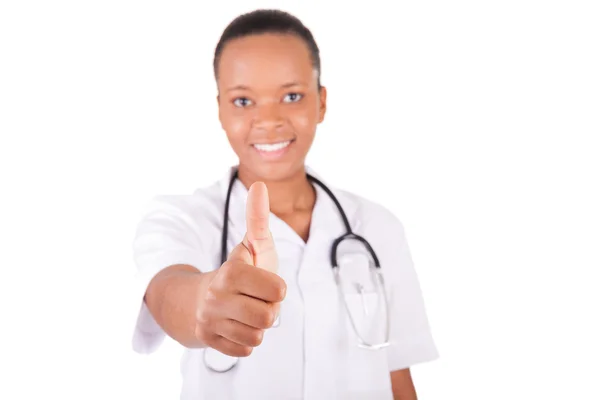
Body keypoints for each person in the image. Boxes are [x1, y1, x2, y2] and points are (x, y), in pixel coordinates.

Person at [131, 8, 439, 400]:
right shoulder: (181, 219)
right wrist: (205, 300)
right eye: (243, 101)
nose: (269, 120)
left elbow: (396, 377)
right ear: (221, 111)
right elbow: (168, 290)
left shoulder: (378, 227)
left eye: (291, 96)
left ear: (322, 103)